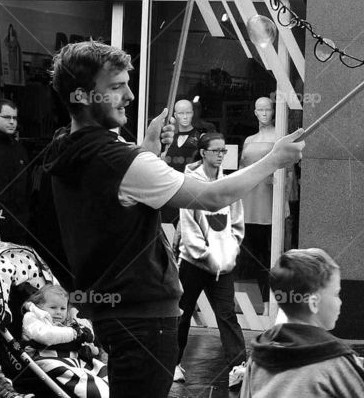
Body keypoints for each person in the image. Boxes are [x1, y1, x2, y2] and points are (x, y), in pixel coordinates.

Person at [46, 41, 304, 398]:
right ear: (82, 95)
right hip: (144, 318)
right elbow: (213, 197)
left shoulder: (67, 147)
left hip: (116, 313)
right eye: (116, 87)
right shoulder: (116, 160)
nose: (130, 95)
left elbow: (117, 199)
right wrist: (274, 159)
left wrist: (148, 151)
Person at [239, 248, 364, 398]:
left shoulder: (258, 357)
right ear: (314, 303)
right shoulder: (336, 360)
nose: (340, 301)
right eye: (336, 294)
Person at [174, 133, 246, 384]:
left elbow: (237, 225)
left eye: (223, 151)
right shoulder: (190, 183)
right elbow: (188, 228)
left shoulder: (228, 185)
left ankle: (239, 367)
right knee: (182, 313)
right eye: (215, 150)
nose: (220, 154)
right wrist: (207, 256)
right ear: (203, 152)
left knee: (227, 315)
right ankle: (173, 363)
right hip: (193, 263)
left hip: (222, 265)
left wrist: (229, 253)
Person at [21, 284, 108, 398]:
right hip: (48, 359)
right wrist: (75, 333)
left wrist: (86, 342)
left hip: (74, 360)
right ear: (39, 306)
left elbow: (87, 334)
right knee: (86, 382)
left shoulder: (66, 322)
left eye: (63, 308)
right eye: (53, 308)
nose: (59, 312)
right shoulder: (33, 317)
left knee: (103, 370)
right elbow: (46, 336)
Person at [238, 97, 281, 302]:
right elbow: (241, 171)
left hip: (268, 199)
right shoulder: (249, 140)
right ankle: (256, 298)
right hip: (249, 199)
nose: (264, 114)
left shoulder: (279, 136)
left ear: (273, 112)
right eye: (260, 110)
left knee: (267, 250)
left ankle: (268, 298)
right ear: (255, 112)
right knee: (251, 250)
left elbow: (286, 171)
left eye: (268, 110)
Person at [160, 99, 212, 225]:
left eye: (188, 113)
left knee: (190, 234)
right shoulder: (167, 139)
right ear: (175, 115)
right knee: (168, 233)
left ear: (193, 113)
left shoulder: (200, 137)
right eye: (181, 113)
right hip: (169, 194)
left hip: (191, 195)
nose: (184, 116)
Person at [0, 98, 31, 245]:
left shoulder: (19, 149)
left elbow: (27, 185)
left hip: (19, 222)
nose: (12, 122)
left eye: (14, 118)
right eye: (6, 117)